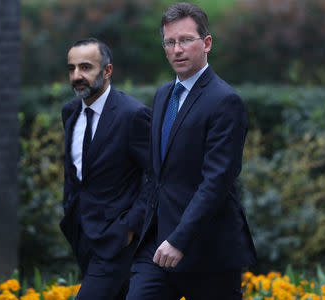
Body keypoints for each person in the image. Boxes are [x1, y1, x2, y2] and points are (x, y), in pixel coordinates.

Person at [127, 3, 257, 300]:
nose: (177, 50)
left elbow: (216, 182)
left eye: (185, 40)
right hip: (157, 247)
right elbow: (156, 172)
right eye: (170, 42)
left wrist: (180, 240)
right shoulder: (163, 95)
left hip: (208, 252)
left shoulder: (225, 101)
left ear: (206, 43)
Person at [59, 38, 150, 299]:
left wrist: (131, 226)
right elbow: (76, 175)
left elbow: (157, 176)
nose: (77, 76)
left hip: (118, 239)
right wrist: (70, 212)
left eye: (86, 67)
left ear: (107, 71)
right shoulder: (70, 112)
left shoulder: (133, 115)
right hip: (82, 235)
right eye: (71, 68)